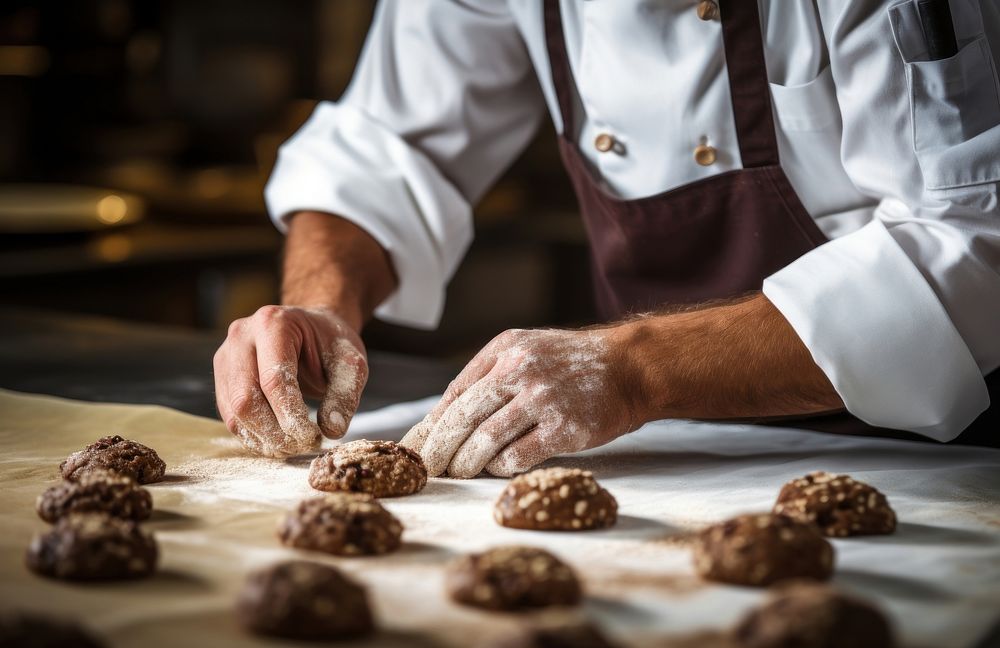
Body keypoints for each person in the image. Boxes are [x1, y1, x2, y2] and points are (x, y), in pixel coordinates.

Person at [213, 0, 1000, 475]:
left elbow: (969, 238)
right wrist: (319, 306)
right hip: (655, 468)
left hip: (932, 465)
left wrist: (630, 368)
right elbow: (390, 143)